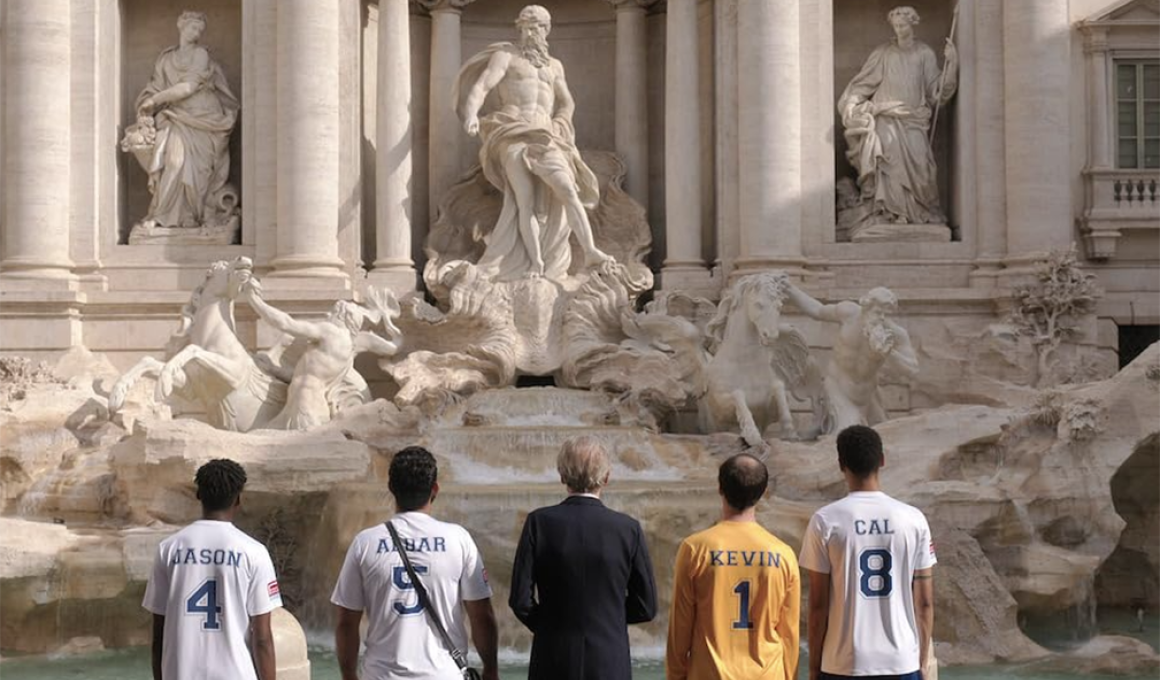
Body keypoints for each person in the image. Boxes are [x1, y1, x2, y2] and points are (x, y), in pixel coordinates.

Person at [455, 5, 613, 281]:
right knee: (522, 201)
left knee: (568, 190)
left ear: (547, 29)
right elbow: (481, 86)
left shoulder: (554, 66)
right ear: (519, 28)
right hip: (513, 132)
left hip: (546, 135)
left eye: (537, 26)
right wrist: (471, 115)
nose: (531, 31)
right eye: (526, 25)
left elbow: (566, 101)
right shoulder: (506, 56)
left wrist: (561, 123)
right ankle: (535, 262)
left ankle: (590, 251)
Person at [332, 446, 499, 680]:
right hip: (444, 674)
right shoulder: (458, 539)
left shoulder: (365, 543)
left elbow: (346, 623)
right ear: (435, 489)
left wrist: (349, 675)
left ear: (391, 488)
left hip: (382, 675)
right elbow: (482, 615)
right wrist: (491, 669)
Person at [510, 436, 657, 680]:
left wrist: (550, 626)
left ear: (562, 476)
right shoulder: (628, 528)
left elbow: (520, 600)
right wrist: (608, 617)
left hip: (553, 659)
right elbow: (646, 606)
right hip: (609, 661)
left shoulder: (539, 523)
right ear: (606, 477)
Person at [799, 425, 937, 680]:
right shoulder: (913, 519)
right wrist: (922, 661)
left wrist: (813, 667)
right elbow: (925, 603)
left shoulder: (825, 521)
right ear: (882, 460)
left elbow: (818, 606)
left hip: (843, 663)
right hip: (901, 662)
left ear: (841, 464)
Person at [142, 459, 281, 680]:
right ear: (238, 499)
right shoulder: (254, 552)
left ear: (199, 495)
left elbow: (159, 633)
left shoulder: (168, 550)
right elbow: (262, 638)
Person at [666, 454, 800, 680]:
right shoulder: (783, 554)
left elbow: (679, 628)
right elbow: (789, 634)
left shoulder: (695, 549)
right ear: (762, 493)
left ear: (720, 488)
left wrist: (675, 676)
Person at [838, 6, 957, 233]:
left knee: (922, 168)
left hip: (914, 119)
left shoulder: (925, 53)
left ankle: (920, 213)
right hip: (887, 118)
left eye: (903, 25)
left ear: (913, 24)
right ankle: (892, 215)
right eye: (896, 26)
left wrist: (952, 65)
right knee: (889, 166)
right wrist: (852, 103)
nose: (900, 29)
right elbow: (864, 83)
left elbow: (937, 92)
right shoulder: (883, 53)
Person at [240, 276, 401, 430]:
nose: (327, 315)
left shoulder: (331, 332)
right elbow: (306, 375)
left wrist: (254, 299)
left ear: (342, 317)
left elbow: (286, 323)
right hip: (305, 404)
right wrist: (274, 370)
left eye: (333, 312)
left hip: (306, 404)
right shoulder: (348, 348)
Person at [134, 10, 239, 230]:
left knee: (197, 172)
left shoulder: (200, 54)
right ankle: (162, 215)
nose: (197, 33)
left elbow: (188, 87)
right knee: (173, 162)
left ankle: (192, 216)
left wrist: (154, 100)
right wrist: (148, 101)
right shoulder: (166, 59)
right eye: (193, 27)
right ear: (181, 26)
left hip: (204, 119)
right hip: (176, 118)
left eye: (200, 30)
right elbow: (155, 85)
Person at [784, 283, 918, 433]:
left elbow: (912, 370)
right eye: (877, 312)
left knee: (882, 438)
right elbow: (818, 310)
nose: (881, 318)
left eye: (885, 315)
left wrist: (890, 353)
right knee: (848, 435)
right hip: (839, 389)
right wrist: (790, 290)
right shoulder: (848, 313)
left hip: (868, 396)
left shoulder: (895, 334)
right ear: (866, 307)